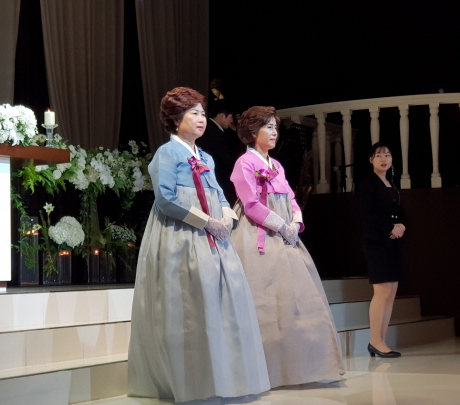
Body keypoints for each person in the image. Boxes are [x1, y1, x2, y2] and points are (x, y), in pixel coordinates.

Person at [127, 87, 270, 402]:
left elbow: (219, 194)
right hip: (180, 235)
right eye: (193, 113)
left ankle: (222, 375)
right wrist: (206, 221)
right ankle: (189, 379)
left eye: (203, 113)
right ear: (175, 119)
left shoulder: (205, 157)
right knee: (188, 304)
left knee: (221, 300)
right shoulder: (167, 153)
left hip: (214, 238)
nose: (201, 118)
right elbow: (166, 199)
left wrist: (227, 220)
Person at [230, 106, 345, 388]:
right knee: (263, 299)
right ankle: (265, 370)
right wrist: (282, 226)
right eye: (268, 127)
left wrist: (296, 221)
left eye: (275, 128)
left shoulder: (277, 165)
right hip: (257, 234)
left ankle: (299, 367)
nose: (274, 133)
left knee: (297, 299)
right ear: (252, 132)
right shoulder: (244, 163)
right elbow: (251, 204)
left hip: (285, 235)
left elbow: (291, 199)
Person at [358, 142, 405, 358]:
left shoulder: (391, 183)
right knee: (382, 291)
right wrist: (390, 228)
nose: (384, 159)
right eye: (378, 155)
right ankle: (375, 341)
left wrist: (401, 226)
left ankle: (381, 341)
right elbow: (367, 215)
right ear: (371, 160)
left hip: (391, 242)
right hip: (376, 242)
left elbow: (397, 212)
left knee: (391, 291)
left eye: (387, 155)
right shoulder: (369, 183)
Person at [196, 99, 244, 205]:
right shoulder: (215, 133)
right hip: (218, 180)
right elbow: (226, 158)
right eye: (230, 117)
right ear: (222, 116)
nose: (231, 121)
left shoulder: (206, 128)